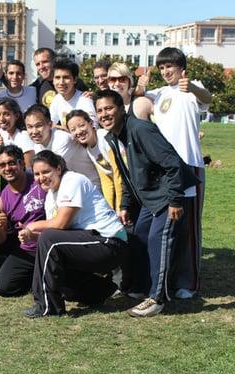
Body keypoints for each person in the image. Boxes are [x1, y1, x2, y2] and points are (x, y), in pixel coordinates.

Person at [95, 90, 199, 317]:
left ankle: (157, 298)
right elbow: (128, 174)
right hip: (149, 199)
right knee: (139, 235)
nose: (105, 114)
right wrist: (124, 205)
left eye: (109, 108)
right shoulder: (113, 137)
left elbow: (172, 164)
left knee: (156, 239)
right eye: (100, 110)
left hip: (168, 196)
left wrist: (175, 201)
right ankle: (142, 287)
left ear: (122, 109)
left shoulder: (141, 129)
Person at [141, 47, 212, 299]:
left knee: (189, 226)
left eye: (169, 66)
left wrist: (191, 87)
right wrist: (140, 86)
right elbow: (138, 103)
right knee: (168, 226)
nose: (165, 71)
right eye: (161, 67)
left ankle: (189, 282)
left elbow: (208, 99)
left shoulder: (192, 88)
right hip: (164, 170)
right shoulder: (157, 93)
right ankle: (165, 278)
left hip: (190, 165)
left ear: (181, 67)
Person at [23, 150, 128, 318]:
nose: (41, 177)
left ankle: (47, 306)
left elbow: (60, 224)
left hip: (110, 243)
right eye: (36, 174)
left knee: (48, 239)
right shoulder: (50, 196)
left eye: (46, 171)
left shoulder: (72, 180)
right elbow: (57, 233)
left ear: (58, 168)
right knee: (51, 251)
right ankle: (101, 290)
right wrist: (32, 235)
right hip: (92, 241)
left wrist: (32, 226)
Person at [0, 145, 46, 297]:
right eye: (2, 165)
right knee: (3, 287)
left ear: (22, 164)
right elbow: (0, 240)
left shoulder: (39, 181)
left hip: (49, 246)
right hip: (26, 250)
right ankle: (35, 279)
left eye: (12, 163)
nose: (7, 168)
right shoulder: (3, 199)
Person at [26, 104, 100, 188]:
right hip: (70, 188)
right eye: (30, 127)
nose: (34, 131)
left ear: (50, 125)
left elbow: (52, 173)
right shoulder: (37, 145)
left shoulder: (62, 139)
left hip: (91, 187)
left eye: (39, 126)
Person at [66, 109, 124, 212]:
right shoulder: (89, 150)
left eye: (81, 125)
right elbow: (106, 180)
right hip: (123, 193)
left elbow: (118, 173)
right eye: (73, 129)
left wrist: (120, 207)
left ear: (91, 123)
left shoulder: (104, 138)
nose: (78, 131)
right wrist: (110, 209)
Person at [48, 58, 97, 129]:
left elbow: (93, 128)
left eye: (66, 77)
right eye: (57, 78)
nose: (61, 82)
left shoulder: (85, 100)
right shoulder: (57, 99)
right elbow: (50, 123)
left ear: (75, 80)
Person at [0, 98, 34, 169]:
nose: (1, 119)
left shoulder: (24, 136)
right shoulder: (2, 132)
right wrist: (0, 148)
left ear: (16, 116)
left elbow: (28, 168)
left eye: (6, 114)